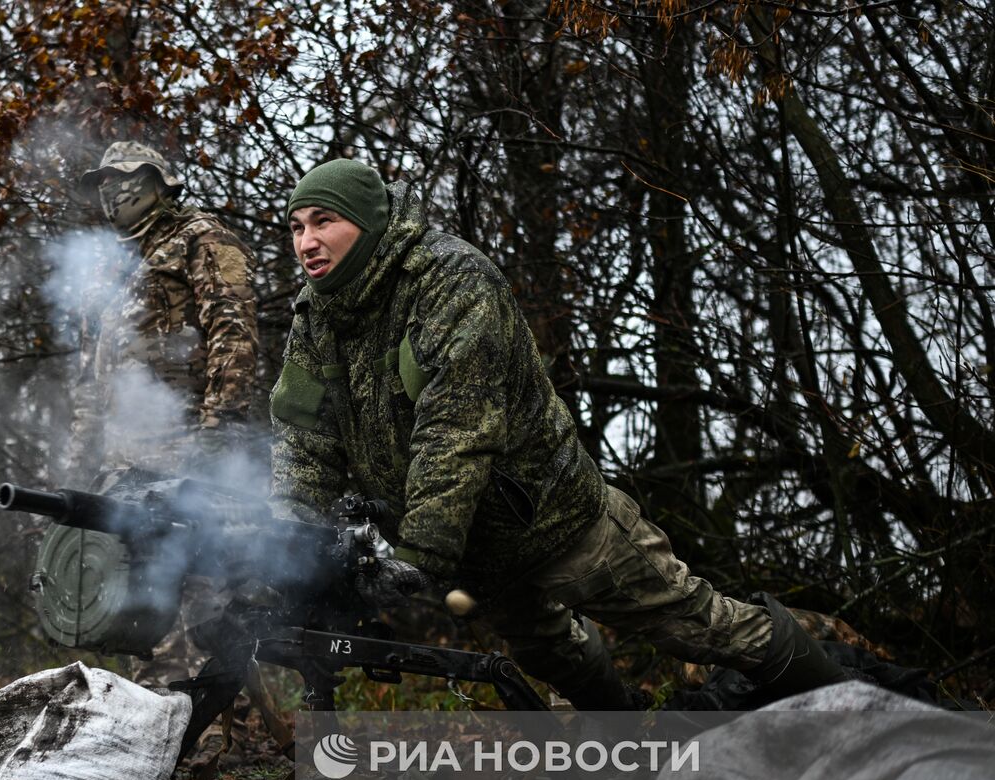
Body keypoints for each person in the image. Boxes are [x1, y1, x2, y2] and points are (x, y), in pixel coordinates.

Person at [270, 159, 849, 709]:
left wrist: (420, 552)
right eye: (297, 227)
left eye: (325, 221)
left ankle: (860, 711)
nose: (306, 242)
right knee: (550, 654)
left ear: (368, 223)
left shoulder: (451, 281)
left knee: (698, 625)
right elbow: (303, 439)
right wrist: (290, 543)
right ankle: (628, 744)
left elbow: (458, 429)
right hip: (475, 548)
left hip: (553, 519)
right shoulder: (317, 315)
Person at [73, 141, 261, 689]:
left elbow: (234, 335)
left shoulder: (202, 239)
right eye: (101, 181)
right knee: (140, 599)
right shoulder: (109, 264)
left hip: (186, 447)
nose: (110, 191)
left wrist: (218, 431)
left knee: (200, 593)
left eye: (121, 177)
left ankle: (207, 733)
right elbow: (93, 376)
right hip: (126, 457)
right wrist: (83, 456)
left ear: (158, 180)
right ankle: (161, 729)